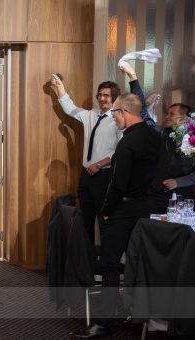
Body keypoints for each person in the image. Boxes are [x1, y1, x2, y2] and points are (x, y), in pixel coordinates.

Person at [71, 93, 161, 339]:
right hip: (145, 208)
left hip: (123, 210)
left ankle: (103, 323)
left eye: (115, 113)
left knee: (110, 265)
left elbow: (118, 183)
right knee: (137, 263)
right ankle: (138, 315)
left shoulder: (128, 142)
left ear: (124, 112)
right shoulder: (153, 137)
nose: (114, 118)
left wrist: (107, 211)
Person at [50, 76, 121, 244]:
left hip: (104, 175)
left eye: (107, 95)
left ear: (114, 99)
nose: (102, 98)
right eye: (100, 95)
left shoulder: (117, 119)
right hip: (86, 175)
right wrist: (60, 88)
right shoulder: (92, 114)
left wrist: (100, 164)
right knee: (85, 220)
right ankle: (85, 262)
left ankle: (106, 264)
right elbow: (70, 109)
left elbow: (120, 151)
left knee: (104, 221)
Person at [120, 63, 195, 213]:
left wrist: (178, 182)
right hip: (156, 196)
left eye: (171, 114)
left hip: (184, 198)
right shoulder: (159, 134)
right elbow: (142, 113)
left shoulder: (192, 139)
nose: (166, 117)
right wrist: (132, 76)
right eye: (167, 113)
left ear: (184, 119)